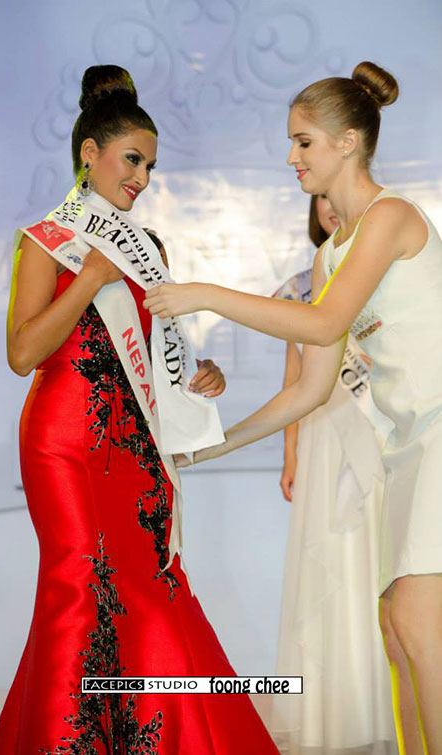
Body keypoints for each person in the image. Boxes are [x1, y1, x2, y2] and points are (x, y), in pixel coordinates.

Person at [144, 61, 442, 753]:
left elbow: (323, 321)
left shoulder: (391, 217)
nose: (291, 157)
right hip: (408, 449)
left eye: (303, 141)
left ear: (347, 142)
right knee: (397, 627)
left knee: (417, 621)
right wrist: (204, 448)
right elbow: (309, 390)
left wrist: (206, 293)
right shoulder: (330, 254)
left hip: (439, 431)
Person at [0, 65, 279, 754]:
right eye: (132, 159)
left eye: (149, 165)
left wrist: (200, 376)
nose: (143, 177)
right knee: (77, 586)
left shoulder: (148, 249)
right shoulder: (45, 239)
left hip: (135, 450)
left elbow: (158, 355)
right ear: (90, 153)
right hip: (64, 444)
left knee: (150, 586)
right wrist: (89, 276)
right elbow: (23, 352)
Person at [268, 194, 396, 753]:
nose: (328, 205)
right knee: (329, 560)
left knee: (378, 564)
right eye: (319, 197)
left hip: (376, 432)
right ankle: (333, 714)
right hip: (322, 435)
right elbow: (295, 378)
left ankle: (386, 704)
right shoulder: (299, 287)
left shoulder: (384, 270)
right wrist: (290, 453)